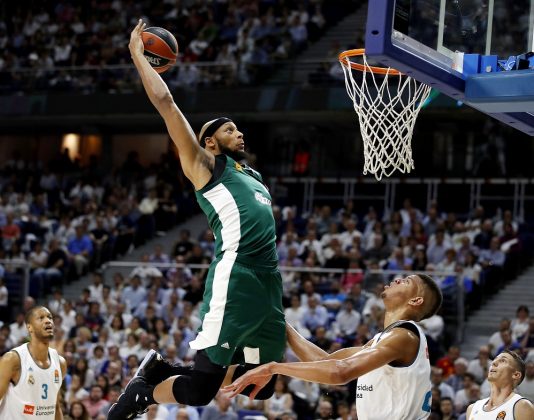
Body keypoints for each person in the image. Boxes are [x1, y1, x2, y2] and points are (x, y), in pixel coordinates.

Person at [107, 19, 285, 419]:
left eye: (239, 129)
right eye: (229, 130)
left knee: (263, 385)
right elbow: (167, 104)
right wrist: (138, 55)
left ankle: (161, 370)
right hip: (236, 275)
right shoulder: (205, 166)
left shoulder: (253, 176)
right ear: (209, 142)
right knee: (202, 391)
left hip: (268, 281)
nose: (239, 134)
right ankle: (143, 393)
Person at [224, 273, 444, 420]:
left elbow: (340, 373)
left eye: (406, 281)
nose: (397, 279)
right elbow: (324, 362)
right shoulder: (386, 339)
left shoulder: (404, 336)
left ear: (415, 301)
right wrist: (278, 319)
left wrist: (273, 368)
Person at [0, 306, 67, 418]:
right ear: (29, 327)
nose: (48, 321)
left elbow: (55, 406)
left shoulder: (60, 363)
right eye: (41, 318)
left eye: (50, 317)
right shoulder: (13, 359)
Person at [466, 350, 534, 419]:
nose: (494, 363)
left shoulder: (522, 406)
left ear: (516, 375)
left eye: (503, 360)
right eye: (494, 359)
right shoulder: (472, 408)